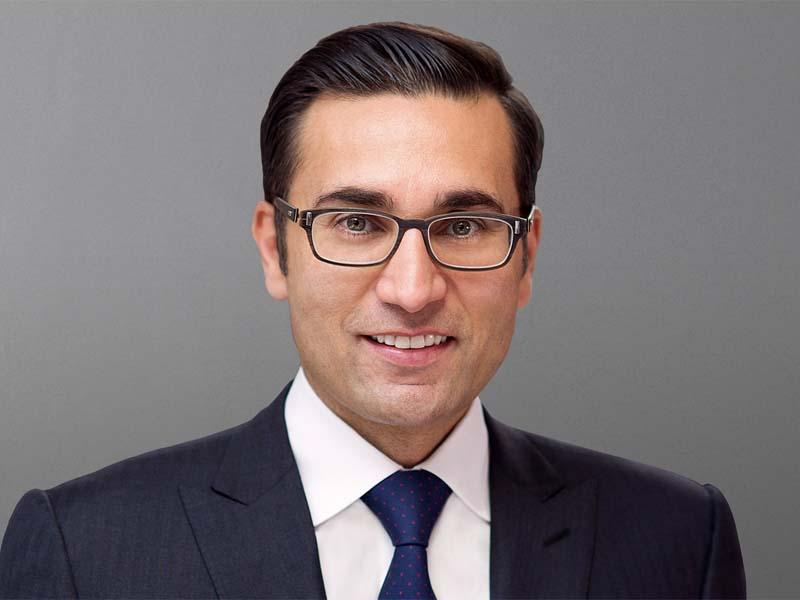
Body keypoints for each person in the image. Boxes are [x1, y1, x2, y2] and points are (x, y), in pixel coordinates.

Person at [0, 21, 745, 599]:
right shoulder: (83, 552)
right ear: (275, 250)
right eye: (357, 223)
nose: (413, 290)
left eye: (464, 225)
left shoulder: (679, 540)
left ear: (526, 255)